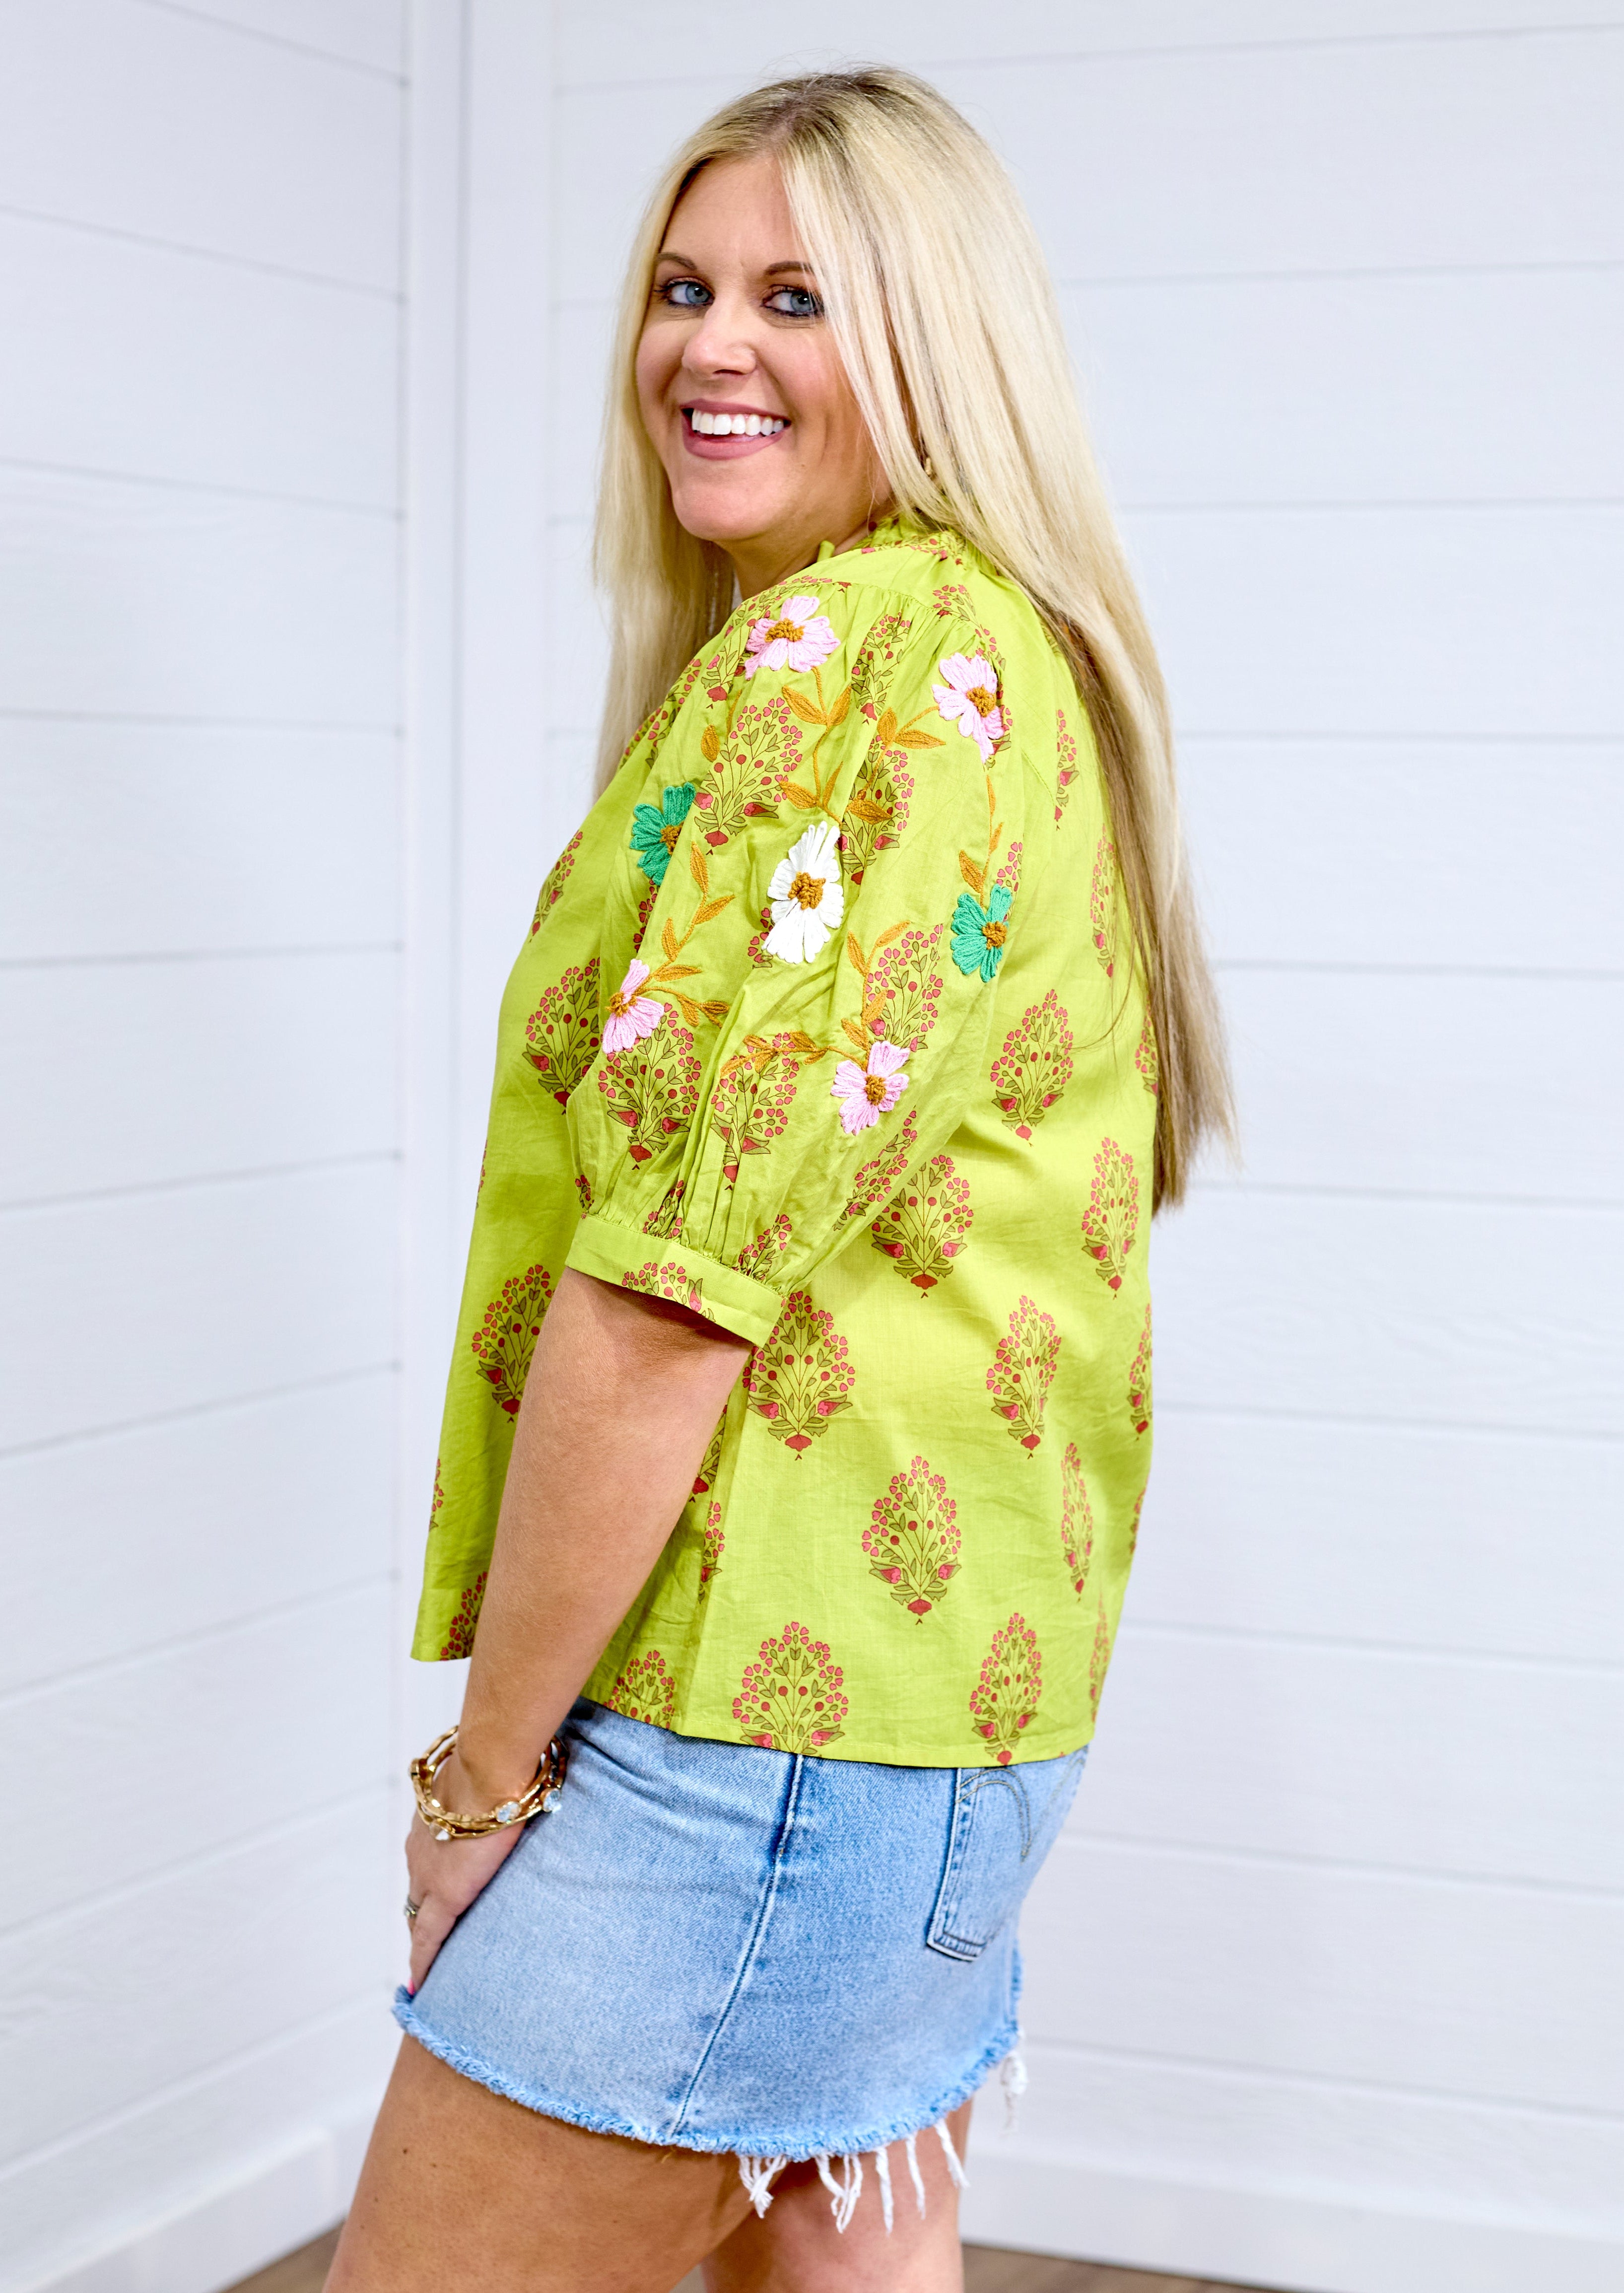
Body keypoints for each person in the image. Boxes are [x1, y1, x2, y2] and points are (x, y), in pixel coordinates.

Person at [328, 65, 1230, 2293]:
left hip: (751, 1747)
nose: (710, 347)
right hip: (943, 1728)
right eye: (683, 285)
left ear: (938, 345)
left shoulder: (865, 660)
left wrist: (483, 1785)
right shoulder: (992, 664)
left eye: (801, 296)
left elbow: (665, 1300)